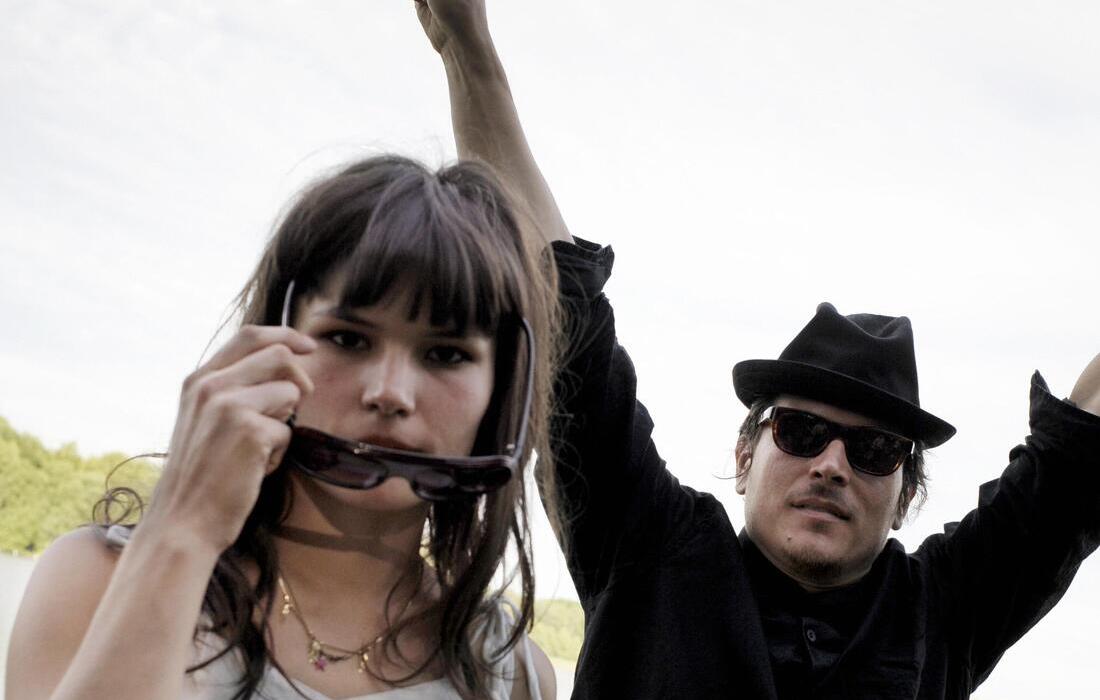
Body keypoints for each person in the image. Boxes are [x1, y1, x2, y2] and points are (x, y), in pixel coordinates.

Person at [417, 1, 1100, 697]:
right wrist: (467, 50)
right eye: (800, 430)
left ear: (904, 499)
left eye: (874, 451)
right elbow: (560, 305)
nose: (831, 465)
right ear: (745, 455)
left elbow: (1078, 462)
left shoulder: (942, 610)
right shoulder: (648, 546)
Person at [6, 155, 559, 700]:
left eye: (445, 354)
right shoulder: (97, 577)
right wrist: (183, 534)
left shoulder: (510, 675)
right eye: (348, 339)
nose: (390, 392)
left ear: (501, 390)